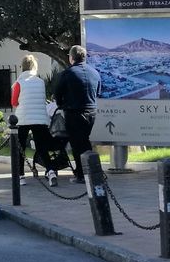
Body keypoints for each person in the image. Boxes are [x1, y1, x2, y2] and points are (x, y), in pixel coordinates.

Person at [11, 55, 65, 185]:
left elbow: (13, 102)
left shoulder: (19, 83)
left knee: (21, 147)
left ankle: (21, 177)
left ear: (22, 67)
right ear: (34, 67)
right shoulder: (40, 82)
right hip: (40, 118)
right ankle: (51, 171)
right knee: (42, 147)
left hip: (23, 118)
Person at [52, 45, 102, 181]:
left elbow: (57, 93)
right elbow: (98, 92)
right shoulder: (95, 73)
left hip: (74, 113)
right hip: (92, 113)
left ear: (71, 57)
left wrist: (61, 104)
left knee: (77, 145)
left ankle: (82, 174)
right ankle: (92, 171)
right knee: (85, 142)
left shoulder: (68, 73)